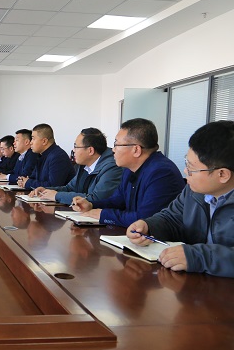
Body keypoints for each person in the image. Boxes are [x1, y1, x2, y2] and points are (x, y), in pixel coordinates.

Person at [126, 120, 234, 278]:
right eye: (186, 163)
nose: (185, 171)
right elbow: (172, 218)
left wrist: (198, 257)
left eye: (191, 168)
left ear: (222, 174)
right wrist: (148, 226)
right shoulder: (194, 191)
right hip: (195, 284)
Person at [72, 118, 185, 227]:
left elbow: (145, 219)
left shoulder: (161, 173)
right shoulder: (129, 169)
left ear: (136, 150)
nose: (113, 150)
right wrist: (91, 205)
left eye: (116, 144)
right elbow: (117, 201)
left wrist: (103, 214)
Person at [32, 128, 123, 205]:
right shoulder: (84, 164)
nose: (73, 150)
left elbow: (97, 198)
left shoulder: (112, 167)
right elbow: (69, 188)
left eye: (76, 146)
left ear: (90, 150)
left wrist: (56, 196)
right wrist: (46, 190)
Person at [18, 123, 75, 190]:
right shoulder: (41, 155)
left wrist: (28, 183)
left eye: (33, 139)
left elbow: (53, 186)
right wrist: (23, 181)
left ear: (44, 141)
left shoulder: (58, 156)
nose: (31, 142)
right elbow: (33, 178)